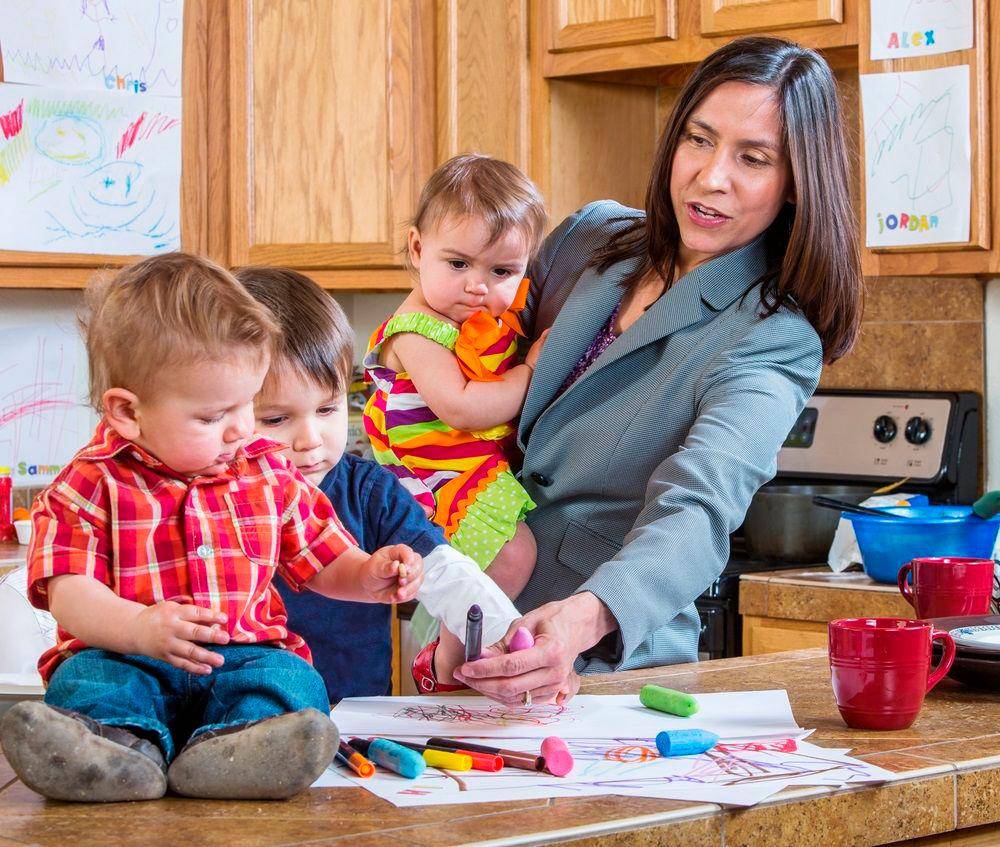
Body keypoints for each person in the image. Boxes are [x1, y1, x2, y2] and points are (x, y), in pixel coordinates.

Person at [454, 36, 864, 707]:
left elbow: (698, 506)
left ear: (795, 185)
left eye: (752, 158)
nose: (711, 176)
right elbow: (467, 334)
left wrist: (585, 616)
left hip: (597, 667)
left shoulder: (773, 337)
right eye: (698, 140)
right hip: (464, 613)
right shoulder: (590, 239)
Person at [0, 254, 424, 803]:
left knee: (291, 681)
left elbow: (322, 559)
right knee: (89, 681)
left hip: (241, 657)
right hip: (128, 655)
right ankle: (119, 752)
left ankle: (235, 750)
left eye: (248, 404)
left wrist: (367, 574)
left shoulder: (267, 470)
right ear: (128, 412)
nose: (242, 429)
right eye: (212, 416)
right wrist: (138, 629)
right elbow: (68, 593)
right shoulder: (89, 483)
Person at [237, 266, 521, 699]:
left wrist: (511, 631)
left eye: (328, 409)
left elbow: (443, 569)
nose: (310, 440)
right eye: (275, 419)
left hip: (355, 713)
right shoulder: (209, 498)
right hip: (239, 718)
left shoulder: (369, 491)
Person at [363, 153, 548, 685]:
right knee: (511, 556)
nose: (477, 285)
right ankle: (445, 661)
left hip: (466, 472)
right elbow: (463, 408)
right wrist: (529, 372)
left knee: (509, 558)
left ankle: (457, 655)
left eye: (502, 271)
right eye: (459, 264)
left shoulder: (478, 321)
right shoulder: (417, 329)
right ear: (418, 249)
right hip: (434, 482)